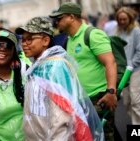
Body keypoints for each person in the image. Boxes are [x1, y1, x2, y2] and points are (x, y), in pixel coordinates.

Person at [15, 16, 104, 141]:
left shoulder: (54, 67)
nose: (24, 44)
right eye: (23, 40)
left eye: (29, 39)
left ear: (45, 41)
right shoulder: (37, 67)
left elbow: (61, 117)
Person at [49, 2, 117, 141]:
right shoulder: (69, 39)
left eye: (60, 18)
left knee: (105, 136)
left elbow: (110, 62)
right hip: (82, 102)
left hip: (99, 98)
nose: (57, 22)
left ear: (71, 17)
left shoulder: (92, 34)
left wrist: (111, 92)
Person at [115, 7, 140, 125]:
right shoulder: (118, 31)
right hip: (124, 72)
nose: (122, 21)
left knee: (137, 101)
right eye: (120, 19)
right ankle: (136, 125)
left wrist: (131, 65)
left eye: (124, 19)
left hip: (135, 71)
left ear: (130, 18)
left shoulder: (136, 30)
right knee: (127, 101)